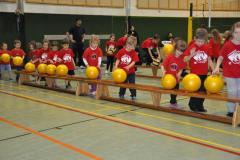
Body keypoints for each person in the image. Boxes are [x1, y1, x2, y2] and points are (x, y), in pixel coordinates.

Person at [213, 22, 240, 117]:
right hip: (230, 73)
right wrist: (216, 67)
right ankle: (231, 111)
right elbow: (220, 57)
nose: (238, 35)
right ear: (232, 33)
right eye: (236, 32)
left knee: (239, 91)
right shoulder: (228, 45)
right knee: (232, 92)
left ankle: (238, 109)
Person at [184, 28, 214, 112]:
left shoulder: (207, 47)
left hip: (204, 73)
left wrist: (213, 69)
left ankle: (200, 106)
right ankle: (192, 105)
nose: (200, 43)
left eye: (202, 42)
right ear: (194, 38)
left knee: (203, 91)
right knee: (195, 89)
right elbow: (185, 59)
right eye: (198, 41)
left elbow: (209, 59)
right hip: (194, 73)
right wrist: (192, 54)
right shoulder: (191, 47)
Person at [162, 39, 187, 109]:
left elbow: (182, 67)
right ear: (175, 48)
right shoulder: (169, 56)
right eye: (179, 51)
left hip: (176, 78)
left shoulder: (182, 57)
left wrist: (179, 73)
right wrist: (164, 72)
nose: (180, 53)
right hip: (169, 78)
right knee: (172, 91)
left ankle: (173, 102)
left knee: (176, 90)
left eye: (182, 52)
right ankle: (173, 103)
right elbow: (163, 65)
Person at [115, 36, 139, 100]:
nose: (134, 48)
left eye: (134, 46)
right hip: (122, 72)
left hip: (131, 72)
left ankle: (133, 95)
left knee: (132, 84)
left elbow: (134, 62)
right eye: (133, 46)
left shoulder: (133, 52)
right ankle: (121, 94)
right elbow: (118, 59)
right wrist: (116, 66)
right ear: (128, 44)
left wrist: (128, 66)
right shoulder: (121, 51)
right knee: (123, 84)